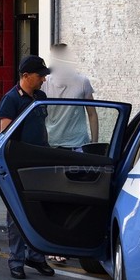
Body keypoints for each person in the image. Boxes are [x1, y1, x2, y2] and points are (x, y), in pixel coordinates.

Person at [0, 55, 56, 280]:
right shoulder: (11, 100)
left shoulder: (40, 97)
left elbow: (42, 127)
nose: (43, 79)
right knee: (17, 213)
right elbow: (5, 136)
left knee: (39, 210)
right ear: (25, 76)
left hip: (40, 160)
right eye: (40, 76)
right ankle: (16, 259)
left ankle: (36, 256)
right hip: (19, 164)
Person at [41, 63, 99, 265]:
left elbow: (92, 113)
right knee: (58, 198)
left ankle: (64, 243)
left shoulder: (82, 82)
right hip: (53, 146)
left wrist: (94, 144)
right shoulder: (45, 83)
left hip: (75, 146)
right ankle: (55, 245)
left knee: (71, 198)